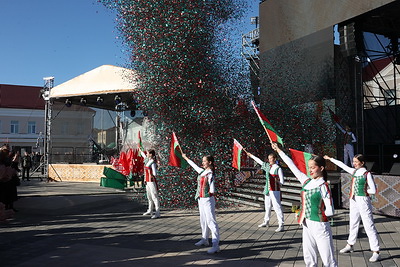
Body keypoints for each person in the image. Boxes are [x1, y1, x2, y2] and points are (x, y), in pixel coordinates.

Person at [271, 142, 337, 267]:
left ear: (321, 168)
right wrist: (279, 151)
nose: (310, 170)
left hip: (320, 225)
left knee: (328, 260)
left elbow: (331, 211)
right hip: (306, 224)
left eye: (313, 167)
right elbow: (292, 166)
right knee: (309, 257)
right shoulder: (306, 182)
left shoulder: (323, 186)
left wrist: (317, 214)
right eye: (309, 167)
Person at [324, 154, 380, 262]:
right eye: (353, 161)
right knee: (353, 222)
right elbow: (342, 165)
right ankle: (350, 244)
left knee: (368, 225)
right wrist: (330, 159)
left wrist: (365, 191)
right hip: (353, 200)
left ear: (362, 163)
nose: (353, 163)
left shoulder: (366, 174)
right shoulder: (354, 171)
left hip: (363, 200)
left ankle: (376, 251)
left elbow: (373, 190)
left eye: (356, 162)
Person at [182, 153, 220, 254]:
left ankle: (215, 245)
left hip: (207, 199)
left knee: (211, 221)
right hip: (201, 199)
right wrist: (186, 158)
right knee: (203, 220)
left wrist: (211, 190)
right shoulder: (203, 171)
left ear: (210, 162)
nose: (202, 163)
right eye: (202, 161)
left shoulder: (210, 173)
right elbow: (194, 166)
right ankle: (204, 239)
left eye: (204, 161)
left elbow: (212, 188)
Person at [247, 151, 285, 232]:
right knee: (267, 206)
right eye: (269, 158)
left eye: (271, 158)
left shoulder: (278, 168)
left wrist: (276, 181)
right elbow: (260, 161)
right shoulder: (268, 166)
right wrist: (251, 155)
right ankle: (266, 221)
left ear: (275, 159)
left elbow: (282, 182)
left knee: (277, 206)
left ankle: (281, 224)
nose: (270, 160)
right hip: (267, 188)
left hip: (275, 189)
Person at [139, 148, 160, 219]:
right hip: (147, 181)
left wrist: (152, 175)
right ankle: (150, 210)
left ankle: (157, 212)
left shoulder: (152, 162)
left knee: (154, 196)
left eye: (147, 153)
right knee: (149, 196)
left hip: (151, 181)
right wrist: (140, 150)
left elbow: (155, 173)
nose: (146, 154)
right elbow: (144, 156)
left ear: (151, 154)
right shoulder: (148, 160)